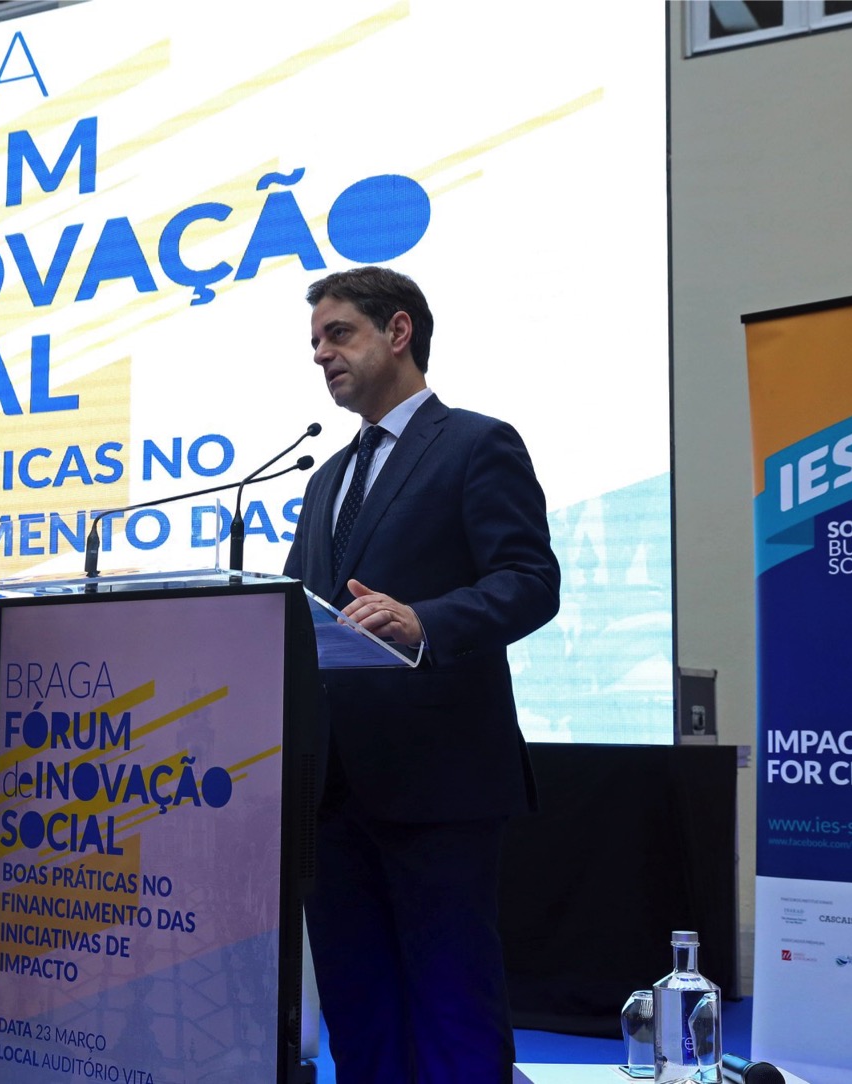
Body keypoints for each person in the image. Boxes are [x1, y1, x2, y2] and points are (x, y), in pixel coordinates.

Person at [282, 266, 560, 1083]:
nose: (320, 354)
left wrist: (424, 621)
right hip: (329, 794)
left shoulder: (475, 444)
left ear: (398, 331)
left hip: (438, 784)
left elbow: (530, 581)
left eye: (338, 334)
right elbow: (301, 608)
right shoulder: (324, 478)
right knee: (358, 1011)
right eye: (315, 341)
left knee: (452, 1009)